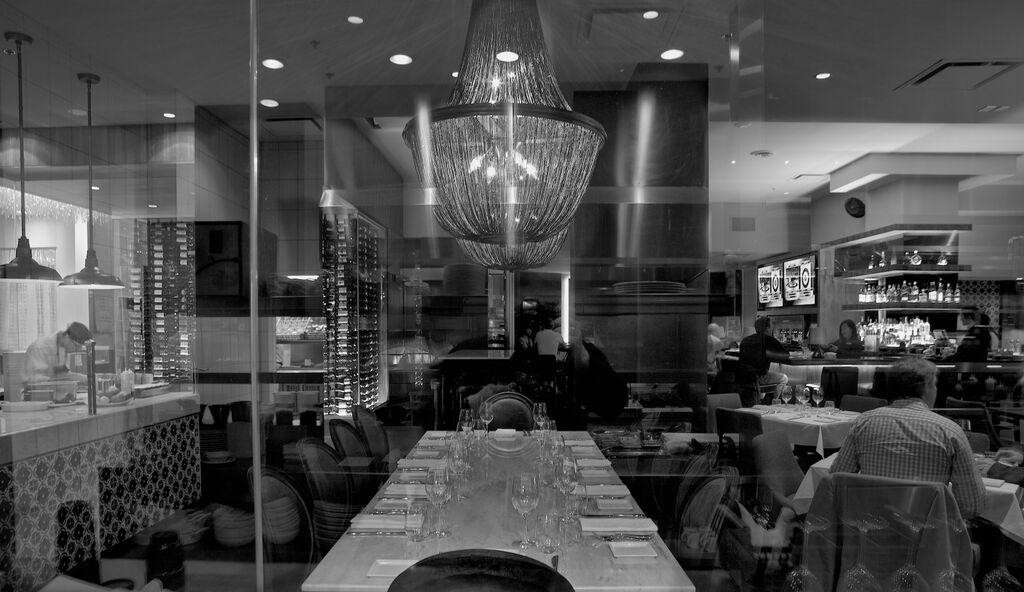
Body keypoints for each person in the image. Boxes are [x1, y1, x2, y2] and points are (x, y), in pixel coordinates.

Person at [830, 356, 986, 518]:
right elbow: (972, 505)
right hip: (929, 531)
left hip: (871, 528)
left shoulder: (863, 423)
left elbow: (836, 480)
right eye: (934, 384)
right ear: (926, 387)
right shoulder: (949, 431)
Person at [22, 322, 92, 386]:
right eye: (77, 346)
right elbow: (33, 379)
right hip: (36, 392)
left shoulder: (62, 346)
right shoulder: (40, 348)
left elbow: (63, 374)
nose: (79, 349)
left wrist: (85, 378)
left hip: (53, 390)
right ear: (67, 337)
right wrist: (74, 379)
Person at [738, 316, 790, 395]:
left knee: (764, 376)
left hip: (743, 377)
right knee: (783, 378)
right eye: (771, 326)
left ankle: (762, 398)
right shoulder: (769, 339)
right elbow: (785, 355)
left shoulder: (745, 340)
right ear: (767, 328)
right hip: (758, 377)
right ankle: (774, 401)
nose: (772, 329)